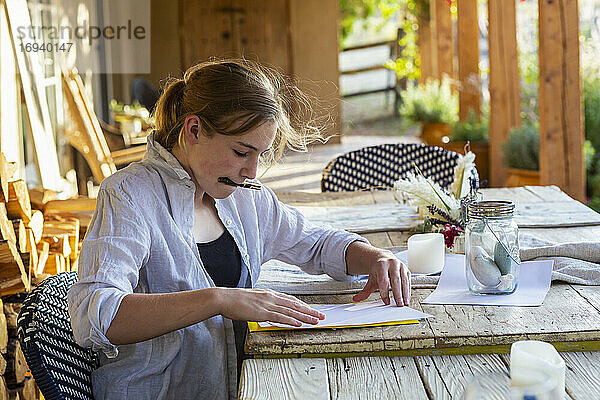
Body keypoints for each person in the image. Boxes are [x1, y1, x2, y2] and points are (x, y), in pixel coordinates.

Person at [68, 59, 411, 400]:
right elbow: (95, 315)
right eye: (241, 152)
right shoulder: (128, 196)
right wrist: (218, 299)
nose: (252, 171)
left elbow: (316, 243)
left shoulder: (242, 197)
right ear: (194, 130)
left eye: (260, 155)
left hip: (242, 386)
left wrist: (375, 257)